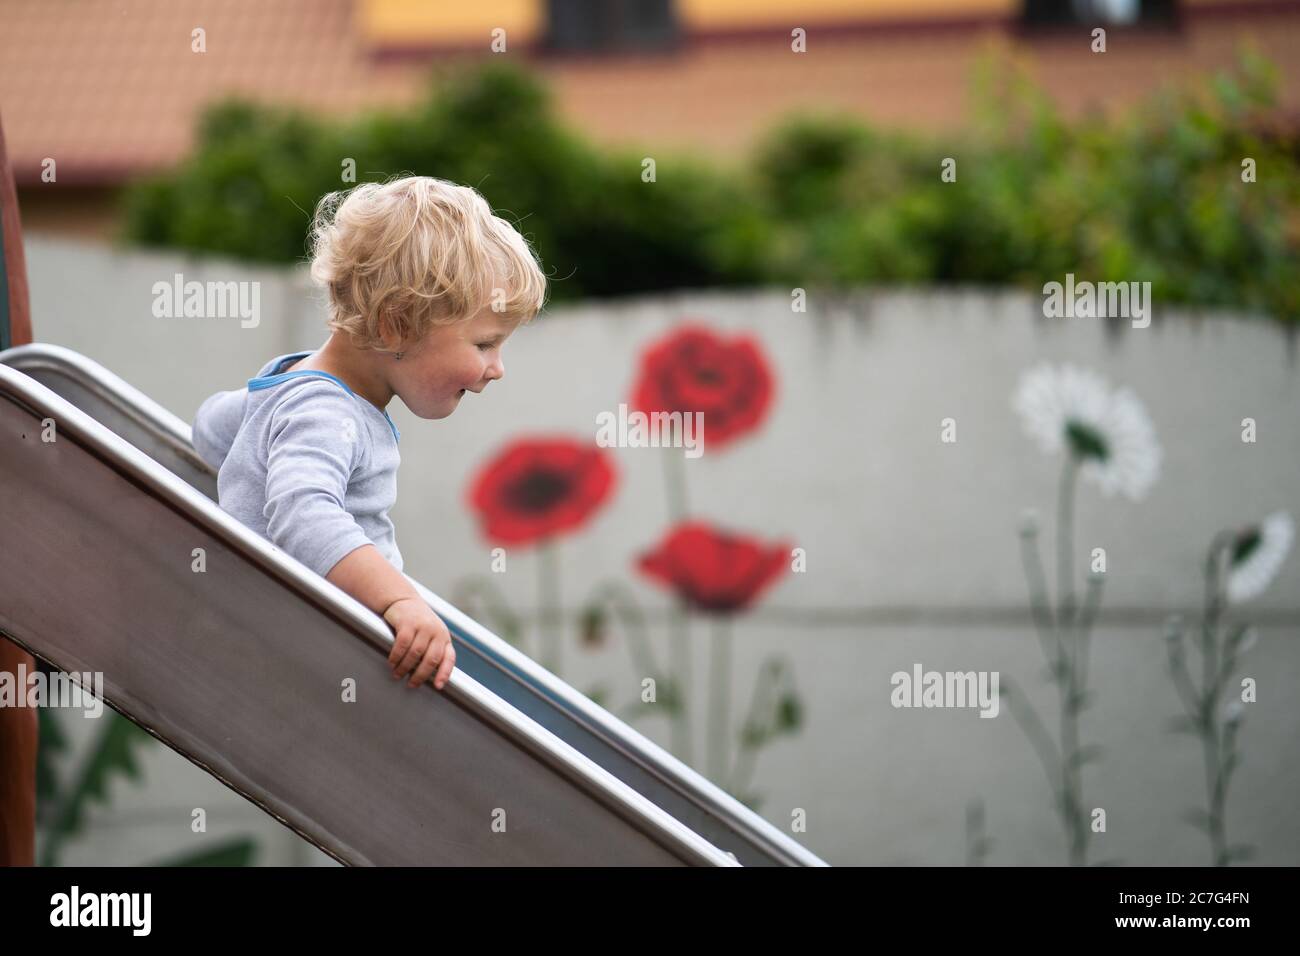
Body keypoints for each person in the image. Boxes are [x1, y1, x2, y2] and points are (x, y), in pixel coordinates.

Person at [192, 176, 547, 691]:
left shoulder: (286, 384)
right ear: (393, 326)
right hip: (309, 662)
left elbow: (209, 430)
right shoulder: (327, 411)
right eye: (485, 344)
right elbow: (303, 511)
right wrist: (397, 600)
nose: (497, 368)